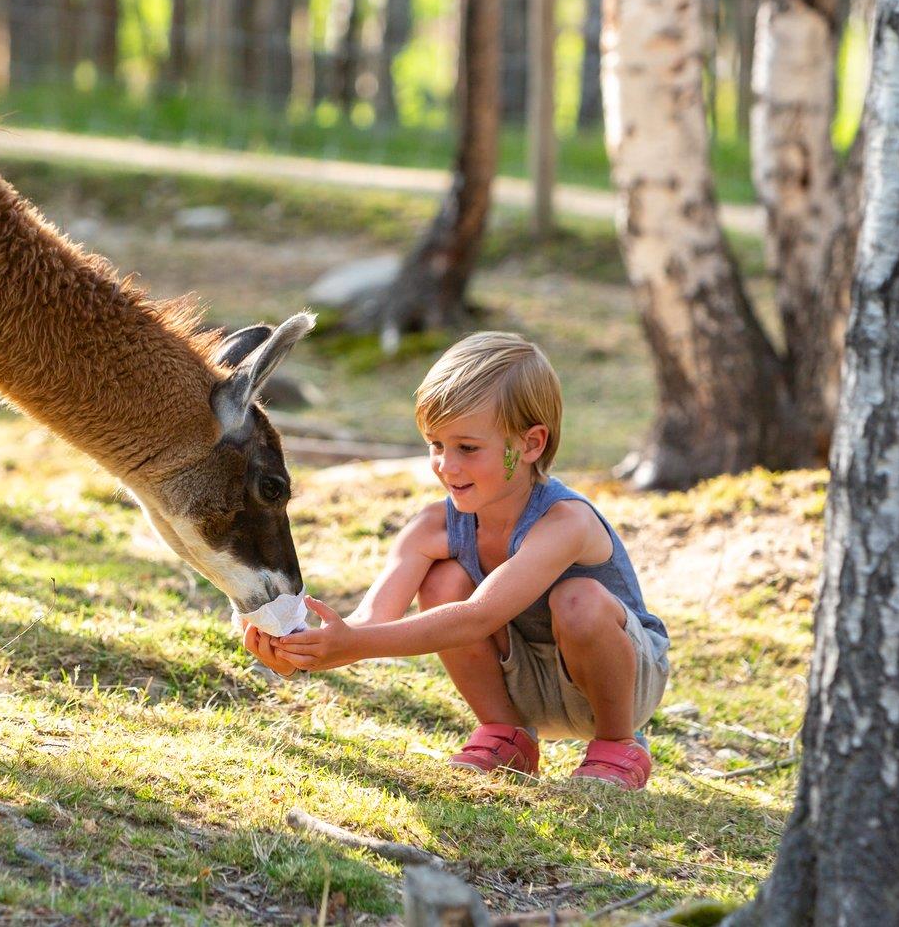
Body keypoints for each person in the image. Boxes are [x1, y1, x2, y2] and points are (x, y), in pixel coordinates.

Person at [246, 332, 670, 788]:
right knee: (442, 580)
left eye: (468, 448)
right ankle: (506, 734)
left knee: (578, 599)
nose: (447, 466)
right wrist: (307, 649)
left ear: (530, 445)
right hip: (524, 676)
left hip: (624, 682)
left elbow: (478, 617)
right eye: (436, 445)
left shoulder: (566, 521)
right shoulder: (434, 527)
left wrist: (356, 645)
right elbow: (371, 620)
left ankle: (617, 745)